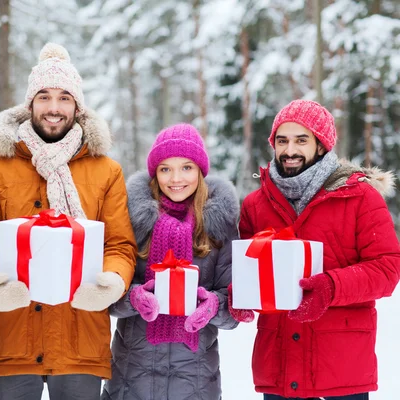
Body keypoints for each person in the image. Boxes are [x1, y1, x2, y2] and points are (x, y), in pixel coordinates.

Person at [0, 43, 137, 400]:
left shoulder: (107, 171)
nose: (54, 108)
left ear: (77, 106)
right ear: (29, 104)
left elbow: (119, 246)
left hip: (80, 335)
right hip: (13, 333)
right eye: (44, 97)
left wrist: (112, 282)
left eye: (64, 98)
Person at [231, 99, 400, 400]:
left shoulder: (360, 197)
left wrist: (331, 287)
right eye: (282, 140)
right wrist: (243, 295)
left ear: (321, 145)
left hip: (341, 369)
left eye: (301, 140)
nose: (290, 150)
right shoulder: (255, 205)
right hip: (279, 369)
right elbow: (252, 272)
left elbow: (387, 268)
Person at [102, 123, 240, 400]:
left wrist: (213, 305)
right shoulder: (130, 219)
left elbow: (236, 308)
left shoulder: (220, 225)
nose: (176, 178)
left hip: (195, 379)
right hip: (131, 377)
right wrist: (134, 298)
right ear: (155, 174)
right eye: (165, 168)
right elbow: (105, 296)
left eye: (186, 167)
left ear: (200, 171)